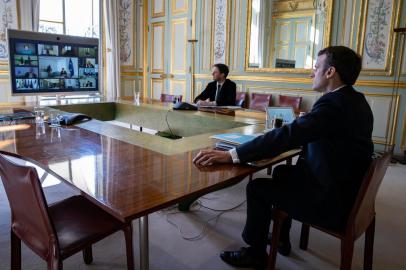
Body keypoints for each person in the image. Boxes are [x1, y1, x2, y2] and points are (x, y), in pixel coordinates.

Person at [193, 46, 374, 269]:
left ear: (330, 72)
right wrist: (305, 126)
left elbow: (287, 136)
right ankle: (281, 239)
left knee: (257, 188)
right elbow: (325, 136)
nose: (312, 73)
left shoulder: (333, 105)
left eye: (316, 67)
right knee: (282, 171)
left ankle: (255, 253)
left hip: (333, 202)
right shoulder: (356, 101)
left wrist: (232, 155)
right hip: (347, 188)